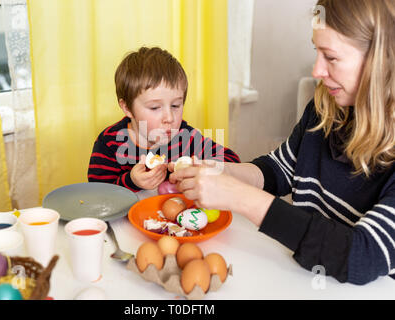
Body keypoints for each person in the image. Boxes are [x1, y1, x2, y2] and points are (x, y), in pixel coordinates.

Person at [169, 0, 395, 285]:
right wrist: (226, 172)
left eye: (331, 57)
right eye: (317, 52)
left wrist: (239, 196)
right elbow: (280, 169)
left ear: (382, 60)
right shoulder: (325, 109)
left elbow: (362, 256)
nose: (317, 71)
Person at [88, 47, 240, 192]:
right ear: (127, 108)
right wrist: (131, 181)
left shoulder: (185, 137)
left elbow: (232, 160)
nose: (169, 118)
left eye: (175, 105)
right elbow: (99, 195)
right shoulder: (109, 143)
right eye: (155, 108)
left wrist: (201, 167)